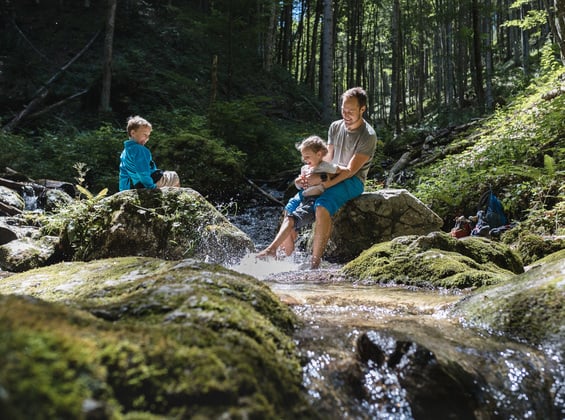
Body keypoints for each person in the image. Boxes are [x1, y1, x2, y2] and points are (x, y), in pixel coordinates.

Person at [260, 87, 378, 269]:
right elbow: (327, 160)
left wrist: (325, 182)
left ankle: (314, 263)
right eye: (343, 110)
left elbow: (350, 171)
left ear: (362, 109)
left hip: (352, 181)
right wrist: (308, 176)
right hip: (329, 173)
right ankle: (284, 262)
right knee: (291, 206)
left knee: (321, 206)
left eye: (351, 112)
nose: (346, 115)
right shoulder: (335, 127)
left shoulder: (368, 135)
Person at [257, 135, 344, 260]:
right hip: (303, 199)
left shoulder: (326, 166)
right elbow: (299, 186)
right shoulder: (305, 168)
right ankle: (285, 258)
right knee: (288, 217)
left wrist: (326, 177)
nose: (304, 159)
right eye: (303, 156)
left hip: (314, 200)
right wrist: (299, 182)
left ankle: (271, 249)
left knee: (291, 219)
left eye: (307, 156)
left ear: (319, 154)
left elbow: (341, 170)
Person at [118, 115, 181, 191]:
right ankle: (175, 198)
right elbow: (142, 171)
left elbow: (123, 175)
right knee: (174, 175)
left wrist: (123, 191)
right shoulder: (139, 149)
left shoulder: (124, 153)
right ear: (133, 133)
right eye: (144, 135)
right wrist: (151, 187)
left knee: (165, 173)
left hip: (139, 185)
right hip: (152, 181)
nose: (147, 138)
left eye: (148, 136)